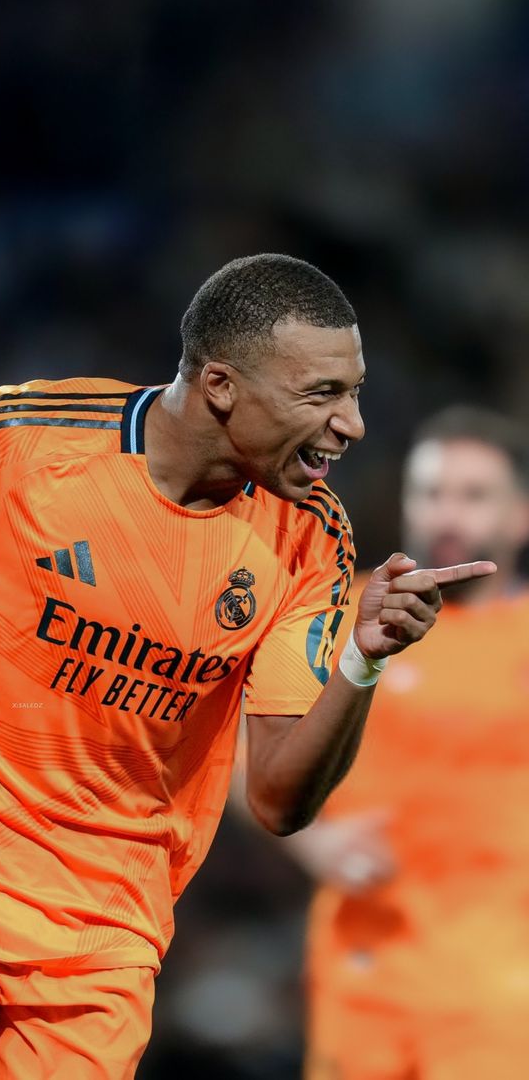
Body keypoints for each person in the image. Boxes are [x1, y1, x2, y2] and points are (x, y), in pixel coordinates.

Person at [0, 255, 492, 1080]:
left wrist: (362, 660)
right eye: (321, 395)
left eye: (356, 391)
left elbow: (276, 799)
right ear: (223, 386)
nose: (353, 424)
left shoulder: (311, 540)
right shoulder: (23, 443)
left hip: (107, 942)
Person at [288, 405, 529, 1080]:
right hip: (363, 971)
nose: (447, 515)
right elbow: (241, 750)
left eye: (474, 496)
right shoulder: (343, 615)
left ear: (520, 516)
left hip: (502, 987)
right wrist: (308, 839)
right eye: (430, 492)